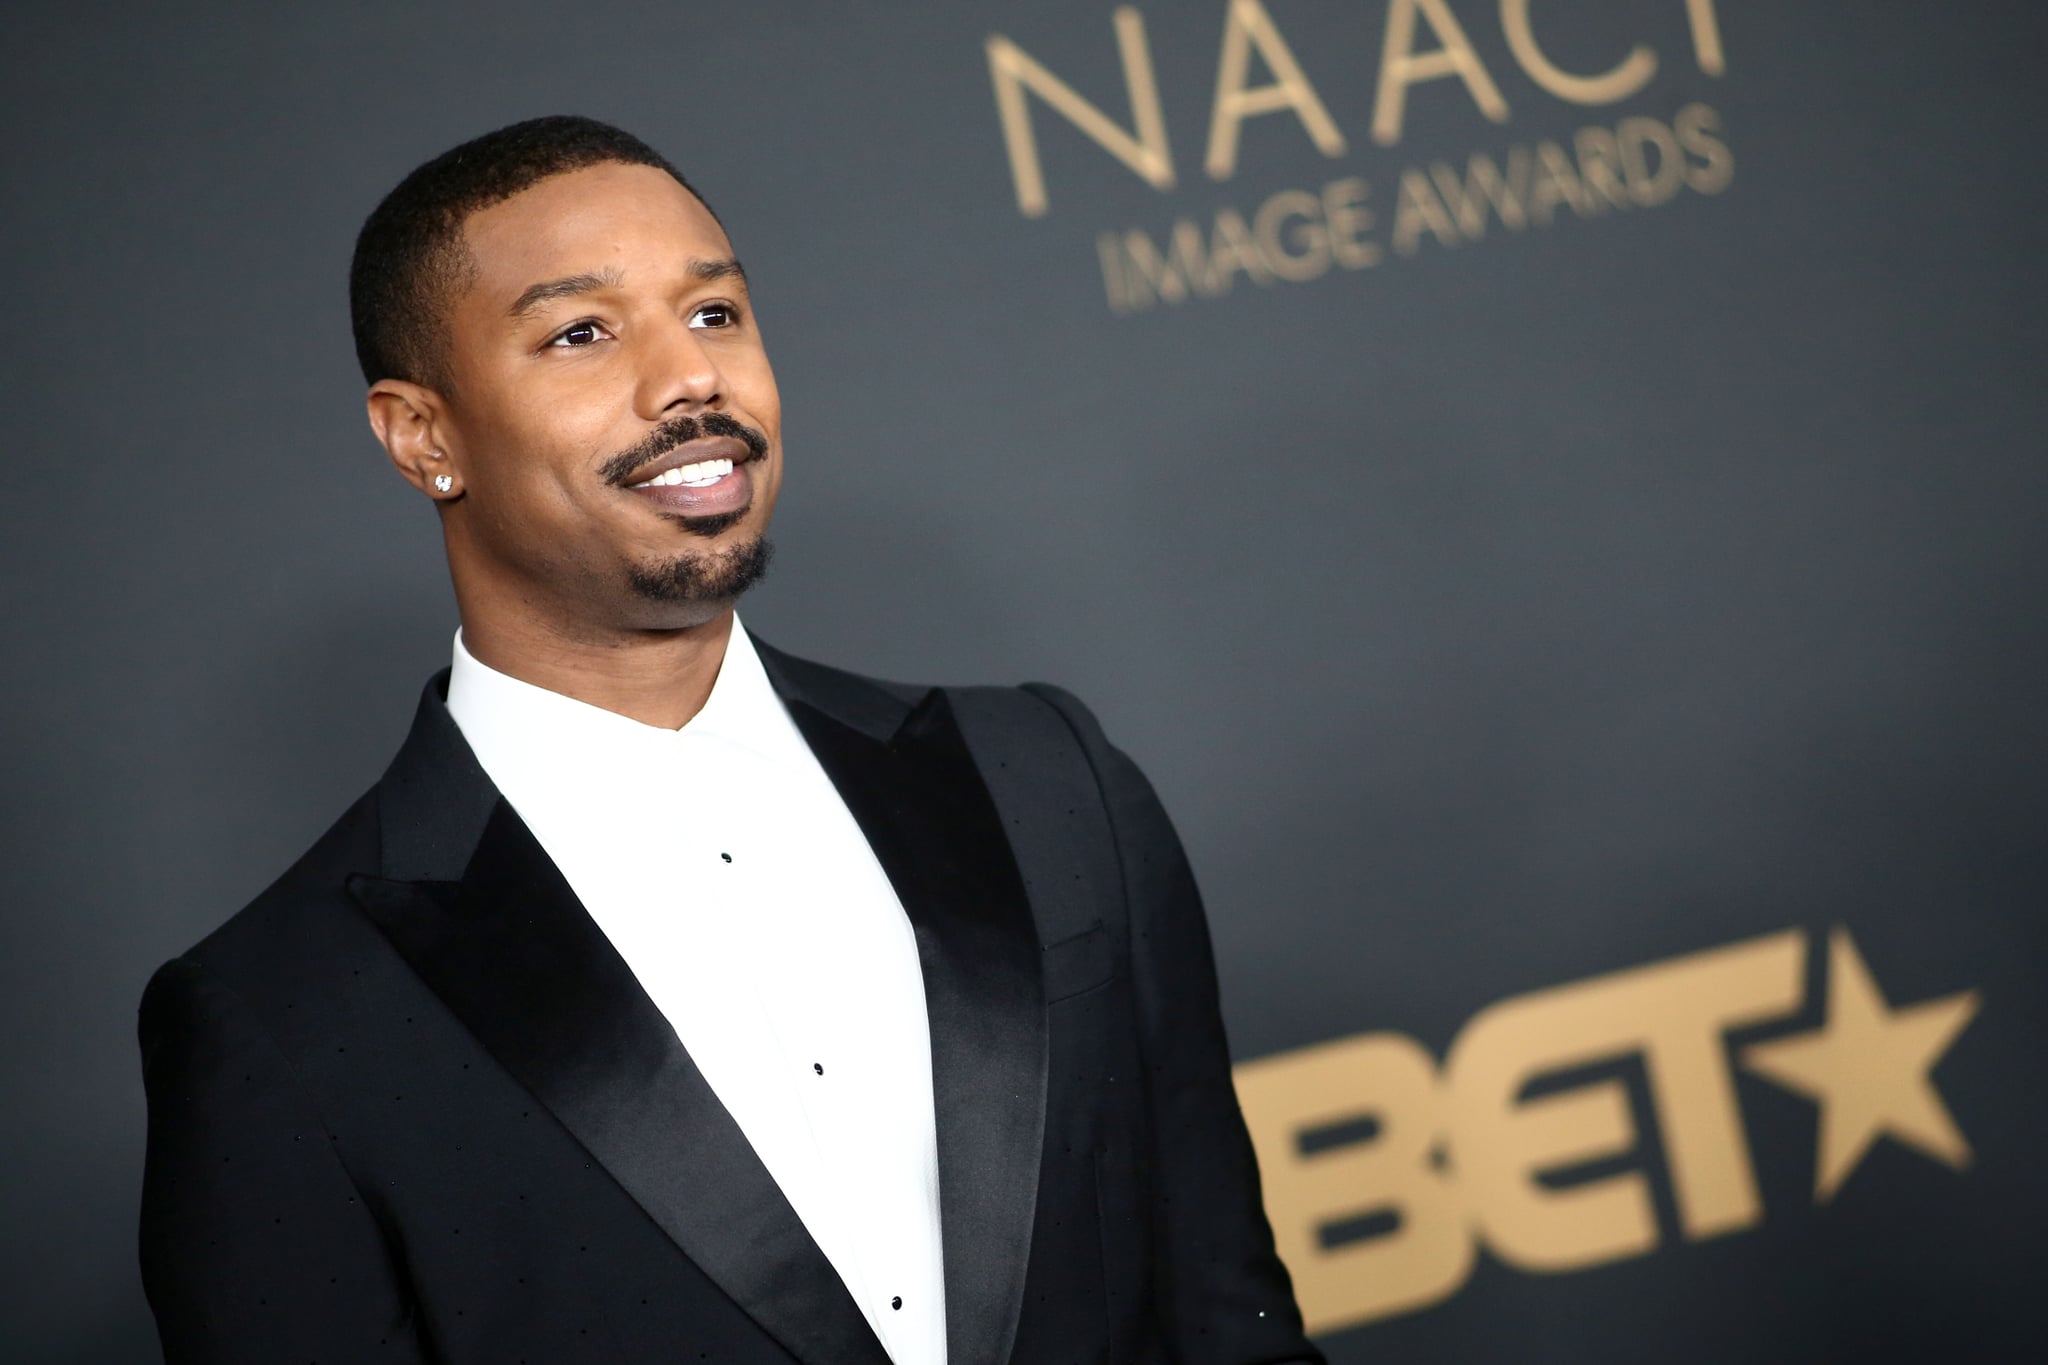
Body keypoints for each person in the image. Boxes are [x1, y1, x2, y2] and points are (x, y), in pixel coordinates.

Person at [137, 114, 1319, 1365]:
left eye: (713, 314)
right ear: (423, 436)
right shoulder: (281, 1018)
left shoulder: (1042, 776)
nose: (688, 379)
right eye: (581, 333)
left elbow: (1225, 1317)